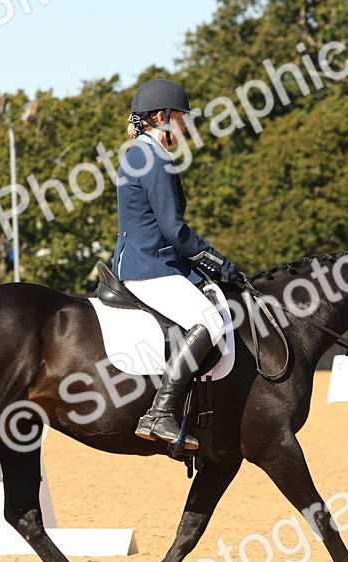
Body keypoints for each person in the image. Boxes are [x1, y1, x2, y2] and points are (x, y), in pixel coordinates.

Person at [113, 79, 241, 450]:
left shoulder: (137, 152)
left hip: (143, 259)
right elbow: (174, 229)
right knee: (212, 320)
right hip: (149, 265)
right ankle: (160, 411)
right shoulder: (153, 157)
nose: (184, 126)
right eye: (181, 118)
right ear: (161, 117)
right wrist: (216, 260)